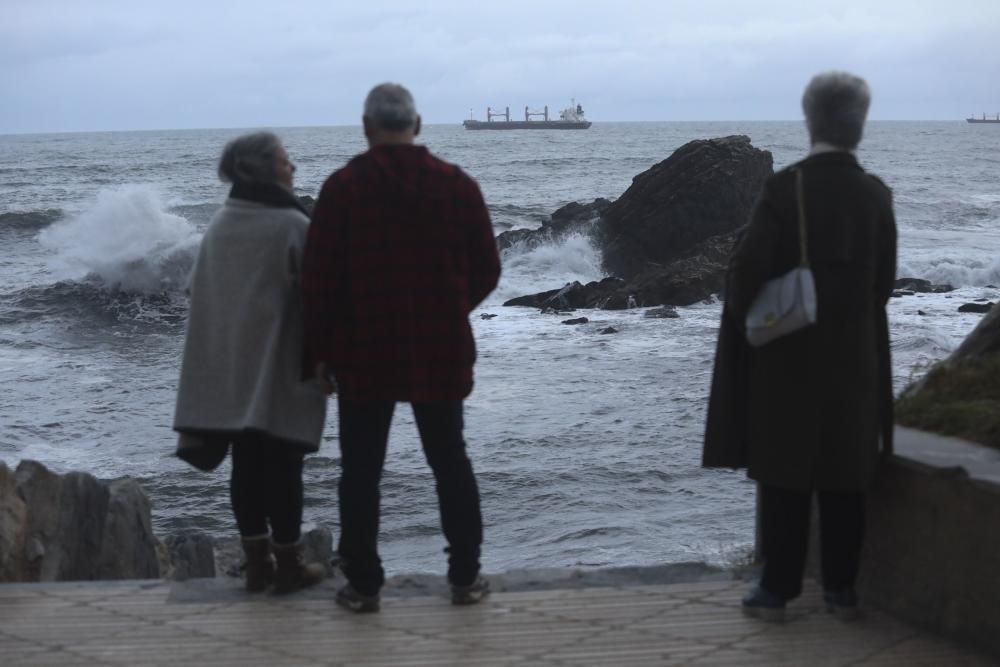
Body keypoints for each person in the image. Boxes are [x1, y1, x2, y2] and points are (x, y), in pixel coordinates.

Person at [703, 71, 897, 622]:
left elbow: (745, 275)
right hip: (855, 358)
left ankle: (777, 589)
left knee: (785, 472)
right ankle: (842, 590)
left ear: (809, 120)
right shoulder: (876, 195)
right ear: (860, 124)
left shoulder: (786, 190)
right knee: (846, 472)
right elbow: (884, 283)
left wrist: (751, 322)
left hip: (788, 359)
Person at [302, 83, 501, 613]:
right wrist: (449, 309)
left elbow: (317, 281)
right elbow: (488, 268)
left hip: (362, 350)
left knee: (361, 471)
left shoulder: (343, 188)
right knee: (450, 462)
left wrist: (319, 353)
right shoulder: (457, 186)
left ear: (367, 127)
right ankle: (464, 578)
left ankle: (364, 586)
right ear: (418, 124)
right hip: (440, 346)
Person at [173, 131, 328, 594]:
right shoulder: (291, 225)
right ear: (266, 169)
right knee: (285, 466)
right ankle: (289, 565)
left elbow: (197, 292)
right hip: (283, 366)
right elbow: (319, 300)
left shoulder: (221, 223)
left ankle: (257, 564)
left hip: (231, 364)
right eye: (285, 160)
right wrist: (329, 361)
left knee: (245, 466)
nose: (292, 167)